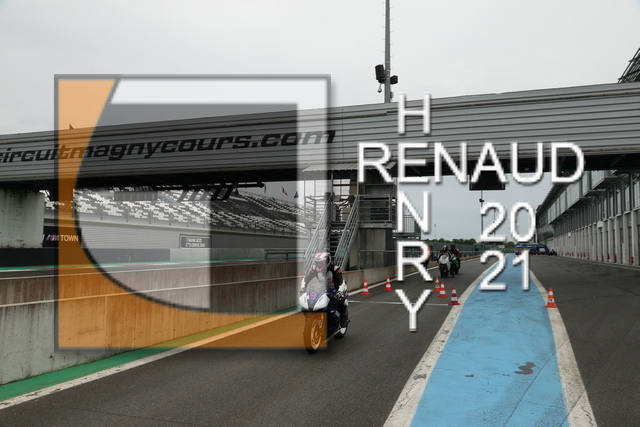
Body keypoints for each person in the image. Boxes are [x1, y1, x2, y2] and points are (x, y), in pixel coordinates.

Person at [303, 252, 347, 326]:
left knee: (341, 300)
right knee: (307, 304)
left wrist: (339, 292)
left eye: (321, 263)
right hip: (322, 289)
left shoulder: (335, 269)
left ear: (327, 262)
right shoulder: (314, 268)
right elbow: (307, 278)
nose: (319, 265)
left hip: (335, 289)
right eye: (317, 263)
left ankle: (343, 317)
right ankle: (310, 318)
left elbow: (340, 281)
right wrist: (303, 288)